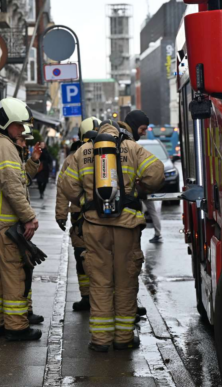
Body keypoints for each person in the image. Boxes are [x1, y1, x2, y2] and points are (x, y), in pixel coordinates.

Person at [59, 120, 164, 352]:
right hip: (127, 226)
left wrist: (85, 200)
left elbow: (67, 186)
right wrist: (140, 188)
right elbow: (156, 173)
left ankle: (100, 341)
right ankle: (123, 338)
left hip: (94, 227)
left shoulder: (84, 151)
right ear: (120, 131)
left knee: (100, 282)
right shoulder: (131, 147)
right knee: (125, 283)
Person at [0, 97, 42, 342]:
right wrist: (29, 217)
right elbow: (12, 186)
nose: (23, 130)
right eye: (20, 125)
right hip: (5, 225)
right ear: (8, 122)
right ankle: (16, 327)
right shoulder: (3, 146)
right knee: (14, 274)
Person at [55, 117, 100, 311]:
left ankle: (88, 296)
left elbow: (63, 187)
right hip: (101, 216)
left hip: (80, 217)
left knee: (82, 257)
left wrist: (61, 215)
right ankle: (102, 296)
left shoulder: (72, 158)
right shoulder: (107, 154)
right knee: (102, 258)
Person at [15, 124, 44, 325]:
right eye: (23, 141)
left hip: (13, 223)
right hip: (11, 224)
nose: (25, 144)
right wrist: (29, 217)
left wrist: (33, 160)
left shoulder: (16, 157)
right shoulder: (8, 154)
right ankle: (19, 317)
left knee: (25, 267)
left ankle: (27, 310)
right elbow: (15, 189)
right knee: (20, 270)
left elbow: (22, 179)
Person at [125, 110, 162, 244]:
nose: (144, 132)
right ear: (134, 126)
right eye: (142, 129)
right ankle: (158, 233)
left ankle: (158, 233)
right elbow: (155, 171)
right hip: (132, 202)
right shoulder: (132, 146)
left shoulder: (119, 143)